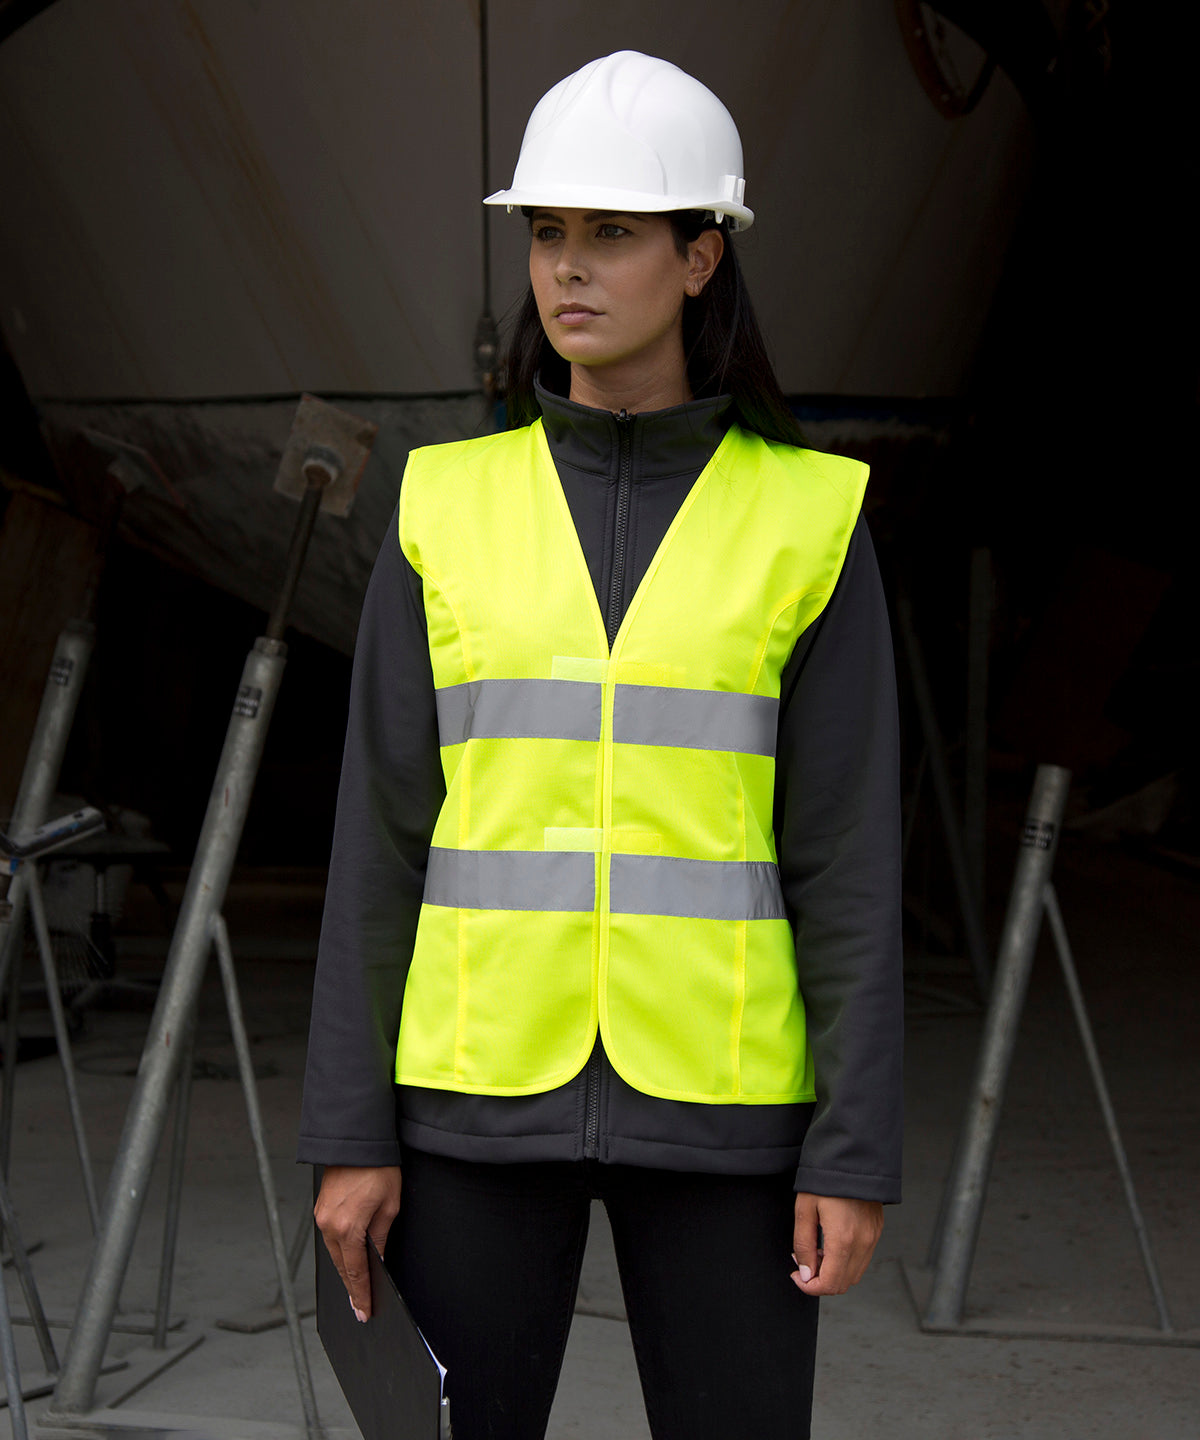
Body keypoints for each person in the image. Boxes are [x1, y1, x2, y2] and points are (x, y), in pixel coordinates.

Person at [299, 50, 902, 1440]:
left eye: (613, 235)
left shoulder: (810, 522)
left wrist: (853, 1147)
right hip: (469, 1106)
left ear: (702, 261)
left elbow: (850, 862)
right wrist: (348, 1134)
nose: (568, 269)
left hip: (729, 1116)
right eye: (548, 234)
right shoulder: (441, 507)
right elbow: (379, 843)